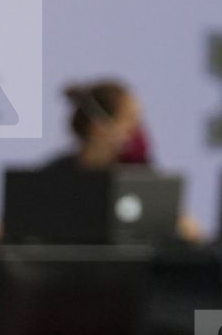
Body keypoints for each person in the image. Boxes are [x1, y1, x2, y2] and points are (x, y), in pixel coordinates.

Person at [26, 79, 202, 242]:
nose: (136, 131)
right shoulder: (53, 178)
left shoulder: (143, 177)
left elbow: (192, 234)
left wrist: (184, 229)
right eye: (130, 120)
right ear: (98, 127)